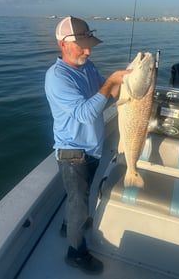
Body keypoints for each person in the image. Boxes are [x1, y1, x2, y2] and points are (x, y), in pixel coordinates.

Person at [45, 16, 130, 274]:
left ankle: (67, 224)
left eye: (89, 44)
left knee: (78, 199)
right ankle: (76, 253)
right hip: (72, 151)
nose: (88, 51)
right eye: (81, 45)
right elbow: (84, 113)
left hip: (92, 147)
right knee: (79, 201)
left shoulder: (88, 66)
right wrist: (110, 82)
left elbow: (104, 90)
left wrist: (122, 82)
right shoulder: (57, 78)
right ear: (62, 43)